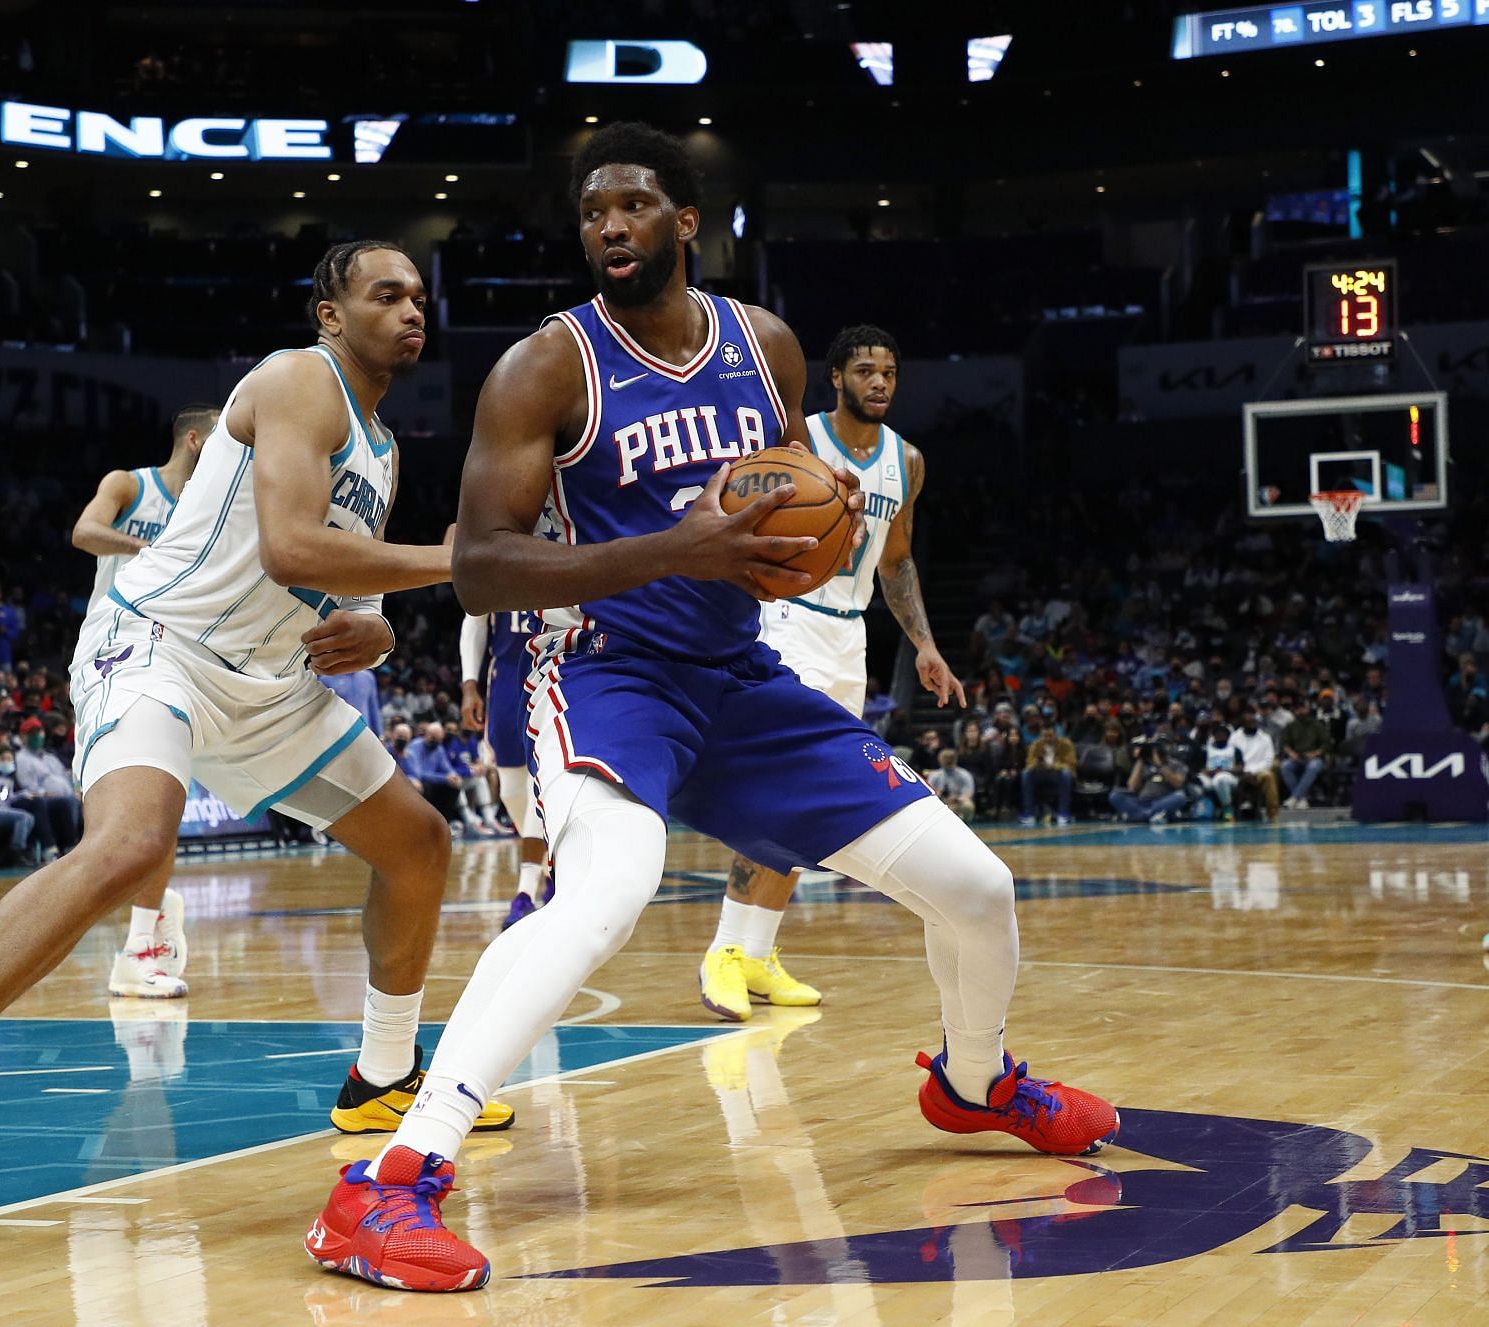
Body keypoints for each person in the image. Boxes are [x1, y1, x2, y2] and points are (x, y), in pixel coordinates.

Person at [305, 124, 1116, 1294]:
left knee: (977, 887)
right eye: (592, 214)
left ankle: (977, 1083)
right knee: (606, 895)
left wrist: (820, 508)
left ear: (688, 222)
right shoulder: (548, 366)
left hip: (741, 680)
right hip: (606, 673)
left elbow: (779, 497)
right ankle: (385, 1184)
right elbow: (481, 566)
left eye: (632, 207)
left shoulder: (767, 345)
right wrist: (673, 549)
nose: (609, 229)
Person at [0, 240, 513, 1215]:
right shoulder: (300, 379)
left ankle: (382, 1076)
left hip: (266, 679)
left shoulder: (381, 447)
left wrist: (380, 625)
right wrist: (453, 557)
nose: (410, 309)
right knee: (132, 847)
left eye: (419, 296)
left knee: (420, 845)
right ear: (330, 313)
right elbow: (293, 541)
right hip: (160, 641)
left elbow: (336, 564)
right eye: (385, 293)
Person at [700, 324, 966, 1022]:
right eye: (866, 370)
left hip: (851, 636)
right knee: (774, 790)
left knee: (807, 804)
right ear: (837, 377)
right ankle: (724, 951)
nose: (880, 382)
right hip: (788, 621)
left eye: (890, 372)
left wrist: (926, 646)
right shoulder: (799, 445)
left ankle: (757, 952)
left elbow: (896, 561)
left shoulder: (906, 461)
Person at [70, 405, 217, 996]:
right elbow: (85, 532)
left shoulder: (212, 507)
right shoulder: (130, 484)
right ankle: (145, 925)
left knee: (163, 808)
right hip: (115, 651)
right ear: (192, 438)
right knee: (122, 821)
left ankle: (143, 939)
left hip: (183, 659)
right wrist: (148, 550)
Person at [462, 609, 551, 928]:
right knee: (512, 792)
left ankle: (525, 894)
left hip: (552, 669)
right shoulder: (496, 560)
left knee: (537, 783)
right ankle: (552, 868)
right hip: (506, 681)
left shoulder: (564, 556)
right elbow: (474, 620)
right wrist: (468, 684)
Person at [12, 716, 82, 863]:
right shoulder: (21, 758)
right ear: (23, 737)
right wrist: (45, 793)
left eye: (39, 732)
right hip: (41, 798)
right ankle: (52, 849)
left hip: (65, 795)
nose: (37, 736)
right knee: (63, 803)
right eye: (32, 733)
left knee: (77, 800)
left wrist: (75, 791)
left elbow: (64, 777)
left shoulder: (50, 757)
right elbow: (27, 786)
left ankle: (74, 846)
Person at [1109, 738, 1190, 823]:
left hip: (1162, 802)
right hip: (1141, 802)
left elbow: (1178, 784)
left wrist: (1160, 766)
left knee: (1180, 796)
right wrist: (1140, 760)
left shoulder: (1177, 764)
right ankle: (1151, 815)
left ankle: (1139, 816)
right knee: (1115, 795)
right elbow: (1132, 787)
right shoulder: (1143, 764)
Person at [1019, 718, 1077, 826]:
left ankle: (1063, 813)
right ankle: (1029, 814)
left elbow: (1071, 764)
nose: (1047, 738)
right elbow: (1029, 763)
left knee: (1066, 774)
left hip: (1058, 774)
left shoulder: (1066, 744)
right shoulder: (1036, 745)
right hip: (1041, 773)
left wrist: (1054, 765)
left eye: (1050, 736)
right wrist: (1037, 764)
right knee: (1026, 774)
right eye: (1044, 736)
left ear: (1056, 734)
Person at [1280, 693, 1332, 809]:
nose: (1300, 711)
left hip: (1314, 757)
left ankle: (1294, 797)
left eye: (1302, 708)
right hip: (1297, 757)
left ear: (1307, 709)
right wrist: (1291, 753)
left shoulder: (1317, 725)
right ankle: (1301, 798)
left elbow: (1326, 743)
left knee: (1313, 766)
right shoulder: (1291, 726)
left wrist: (1316, 753)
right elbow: (1284, 743)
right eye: (1297, 709)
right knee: (1285, 766)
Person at [927, 747, 976, 821]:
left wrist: (955, 800)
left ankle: (965, 824)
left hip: (958, 802)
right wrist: (938, 795)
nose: (948, 761)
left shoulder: (964, 775)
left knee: (967, 806)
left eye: (950, 759)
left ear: (955, 760)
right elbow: (929, 794)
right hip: (940, 803)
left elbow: (967, 794)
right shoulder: (934, 776)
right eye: (946, 759)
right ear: (940, 760)